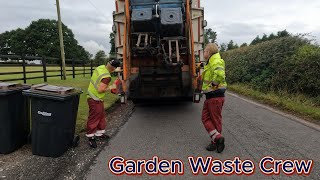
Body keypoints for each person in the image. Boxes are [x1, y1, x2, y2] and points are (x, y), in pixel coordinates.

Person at [86, 59, 121, 148]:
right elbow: (100, 90)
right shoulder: (107, 77)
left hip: (93, 96)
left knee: (101, 116)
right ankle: (91, 137)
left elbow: (109, 69)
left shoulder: (100, 67)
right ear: (113, 68)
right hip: (95, 98)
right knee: (94, 117)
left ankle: (99, 134)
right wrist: (112, 87)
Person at [199, 43, 227, 153]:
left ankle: (215, 142)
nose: (204, 53)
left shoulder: (216, 61)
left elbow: (220, 74)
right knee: (205, 118)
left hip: (215, 96)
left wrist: (213, 86)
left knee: (215, 120)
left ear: (209, 52)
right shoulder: (211, 62)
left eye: (205, 51)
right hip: (210, 97)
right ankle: (218, 138)